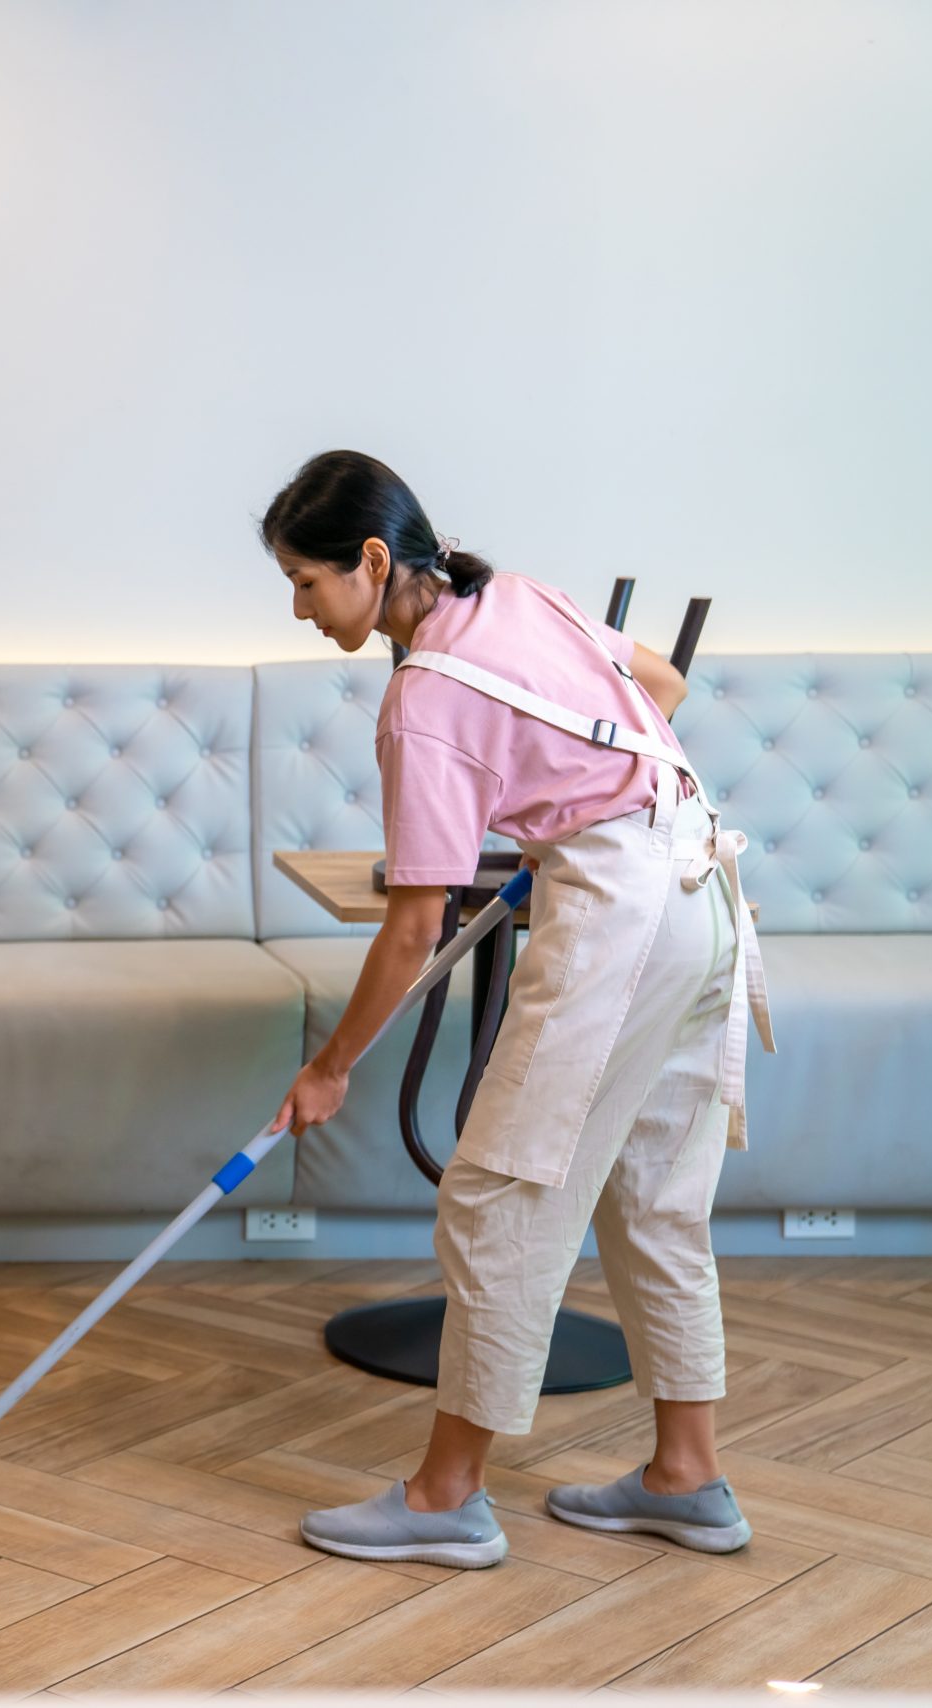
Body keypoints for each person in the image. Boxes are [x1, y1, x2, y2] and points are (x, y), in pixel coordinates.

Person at [260, 450, 774, 1569]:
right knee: (652, 1200)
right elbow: (663, 693)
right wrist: (571, 823)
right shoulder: (517, 595)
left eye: (306, 582)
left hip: (626, 922)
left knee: (495, 1197)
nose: (298, 609)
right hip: (701, 893)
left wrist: (330, 1067)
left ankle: (446, 1499)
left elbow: (411, 925)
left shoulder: (424, 696)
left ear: (373, 559)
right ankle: (687, 1478)